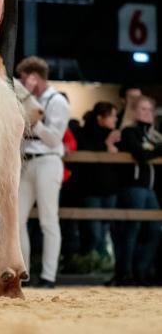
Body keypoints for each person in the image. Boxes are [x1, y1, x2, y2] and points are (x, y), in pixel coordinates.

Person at [16, 56, 69, 288]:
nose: (22, 83)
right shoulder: (25, 101)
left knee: (48, 220)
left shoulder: (57, 101)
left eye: (25, 79)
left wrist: (34, 123)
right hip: (26, 160)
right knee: (17, 220)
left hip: (48, 161)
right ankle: (23, 273)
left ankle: (49, 276)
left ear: (35, 78)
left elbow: (54, 139)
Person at [113, 95, 162, 285]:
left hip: (150, 189)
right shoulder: (129, 132)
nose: (147, 113)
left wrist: (156, 149)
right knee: (131, 230)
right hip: (133, 187)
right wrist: (158, 150)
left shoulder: (153, 134)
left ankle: (141, 270)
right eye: (142, 109)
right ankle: (125, 273)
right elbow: (140, 154)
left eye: (150, 109)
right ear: (134, 112)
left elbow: (149, 152)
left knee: (154, 229)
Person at [71, 102, 120, 271]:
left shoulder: (115, 135)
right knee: (93, 233)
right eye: (112, 115)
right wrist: (106, 145)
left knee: (105, 231)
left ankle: (101, 266)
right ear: (101, 118)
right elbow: (84, 152)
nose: (115, 119)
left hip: (110, 191)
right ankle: (87, 265)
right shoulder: (84, 133)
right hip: (90, 191)